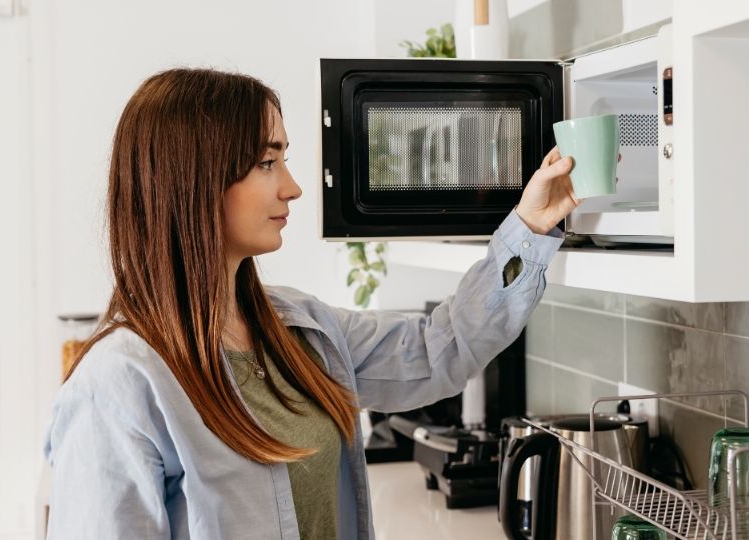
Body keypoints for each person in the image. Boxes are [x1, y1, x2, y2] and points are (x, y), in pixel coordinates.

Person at [44, 68, 579, 540]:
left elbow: (440, 349)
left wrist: (529, 228)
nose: (295, 187)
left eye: (285, 159)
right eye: (266, 162)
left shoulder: (299, 328)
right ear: (195, 179)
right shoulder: (116, 388)